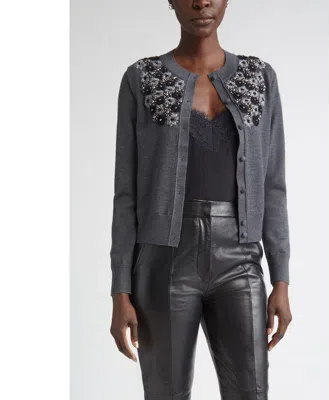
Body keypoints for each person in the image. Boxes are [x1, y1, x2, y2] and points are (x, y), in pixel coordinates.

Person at [109, 0, 292, 398]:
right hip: (163, 262)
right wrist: (119, 290)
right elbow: (125, 194)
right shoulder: (142, 78)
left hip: (241, 260)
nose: (201, 2)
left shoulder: (260, 77)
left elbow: (273, 185)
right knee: (166, 393)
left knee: (250, 391)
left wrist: (281, 279)